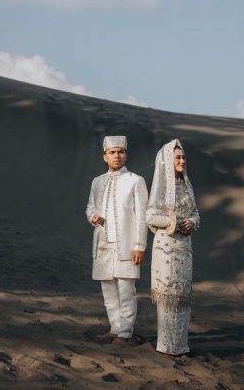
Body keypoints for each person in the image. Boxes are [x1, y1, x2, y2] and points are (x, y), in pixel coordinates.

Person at [86, 136, 149, 345]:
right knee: (108, 290)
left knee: (126, 290)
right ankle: (114, 328)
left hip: (127, 245)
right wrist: (92, 216)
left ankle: (125, 332)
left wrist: (139, 246)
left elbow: (142, 216)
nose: (116, 155)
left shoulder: (135, 180)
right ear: (105, 156)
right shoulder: (97, 181)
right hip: (103, 243)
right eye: (112, 152)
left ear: (126, 155)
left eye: (120, 152)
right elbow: (90, 207)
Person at [146, 139, 200, 356]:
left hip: (185, 249)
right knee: (168, 295)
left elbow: (195, 213)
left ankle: (181, 346)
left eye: (183, 157)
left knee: (182, 295)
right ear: (167, 161)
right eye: (177, 157)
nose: (182, 160)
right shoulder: (161, 187)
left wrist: (192, 222)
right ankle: (166, 346)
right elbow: (150, 216)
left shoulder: (187, 186)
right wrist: (173, 222)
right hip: (166, 249)